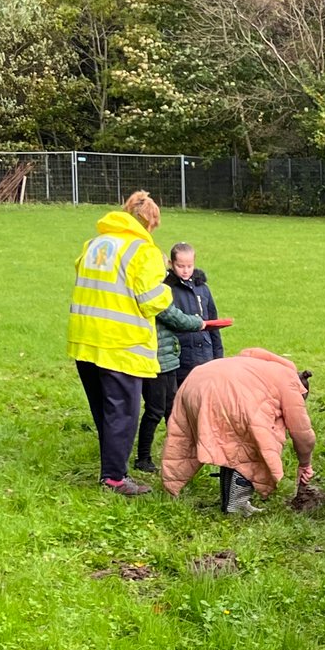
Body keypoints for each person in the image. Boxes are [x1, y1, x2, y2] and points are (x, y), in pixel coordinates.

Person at [67, 190, 173, 496]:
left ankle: (111, 467)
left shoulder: (94, 244)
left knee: (103, 409)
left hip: (85, 338)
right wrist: (167, 286)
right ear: (149, 221)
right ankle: (114, 478)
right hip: (120, 343)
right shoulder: (143, 251)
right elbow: (151, 301)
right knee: (123, 411)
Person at [161, 348, 315, 514]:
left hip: (194, 384)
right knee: (256, 444)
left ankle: (226, 500)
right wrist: (305, 464)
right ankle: (236, 505)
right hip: (228, 396)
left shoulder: (260, 366)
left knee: (233, 443)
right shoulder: (289, 382)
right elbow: (302, 433)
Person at [133, 301, 206, 473]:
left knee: (171, 409)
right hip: (157, 363)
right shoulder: (151, 294)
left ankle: (179, 452)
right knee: (155, 411)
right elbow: (175, 317)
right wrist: (199, 322)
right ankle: (143, 458)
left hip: (167, 361)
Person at [165, 242, 224, 386]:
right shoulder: (167, 289)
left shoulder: (203, 289)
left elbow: (213, 324)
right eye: (180, 266)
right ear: (172, 264)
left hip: (205, 355)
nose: (185, 271)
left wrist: (218, 357)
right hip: (181, 359)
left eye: (189, 266)